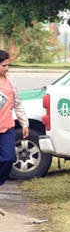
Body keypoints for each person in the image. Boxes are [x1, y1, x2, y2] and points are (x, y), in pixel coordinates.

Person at [0, 50, 28, 187]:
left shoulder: (10, 81)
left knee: (9, 158)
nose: (7, 68)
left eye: (8, 65)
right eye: (3, 65)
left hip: (6, 127)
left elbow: (17, 103)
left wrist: (25, 124)